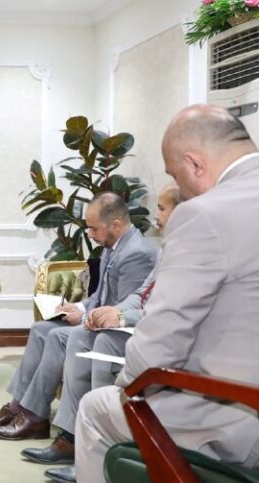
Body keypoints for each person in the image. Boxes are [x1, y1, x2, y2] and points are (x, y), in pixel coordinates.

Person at [75, 104, 259, 481]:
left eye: (175, 175)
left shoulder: (204, 214)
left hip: (236, 415)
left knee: (96, 408)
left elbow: (158, 345)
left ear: (194, 164)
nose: (182, 191)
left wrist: (129, 387)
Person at [23, 184, 180, 483]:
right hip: (129, 322)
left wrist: (116, 314)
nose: (156, 216)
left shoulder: (142, 251)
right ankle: (70, 435)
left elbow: (165, 307)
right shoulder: (162, 249)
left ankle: (97, 449)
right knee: (75, 334)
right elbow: (142, 294)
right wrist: (99, 311)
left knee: (100, 338)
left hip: (156, 335)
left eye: (162, 208)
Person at [0, 192, 157, 441]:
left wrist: (85, 319)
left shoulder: (136, 253)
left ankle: (35, 416)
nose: (89, 234)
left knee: (56, 336)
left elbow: (121, 309)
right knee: (41, 329)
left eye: (94, 228)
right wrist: (79, 308)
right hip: (95, 321)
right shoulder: (113, 245)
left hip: (113, 332)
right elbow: (100, 295)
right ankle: (17, 406)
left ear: (116, 225)